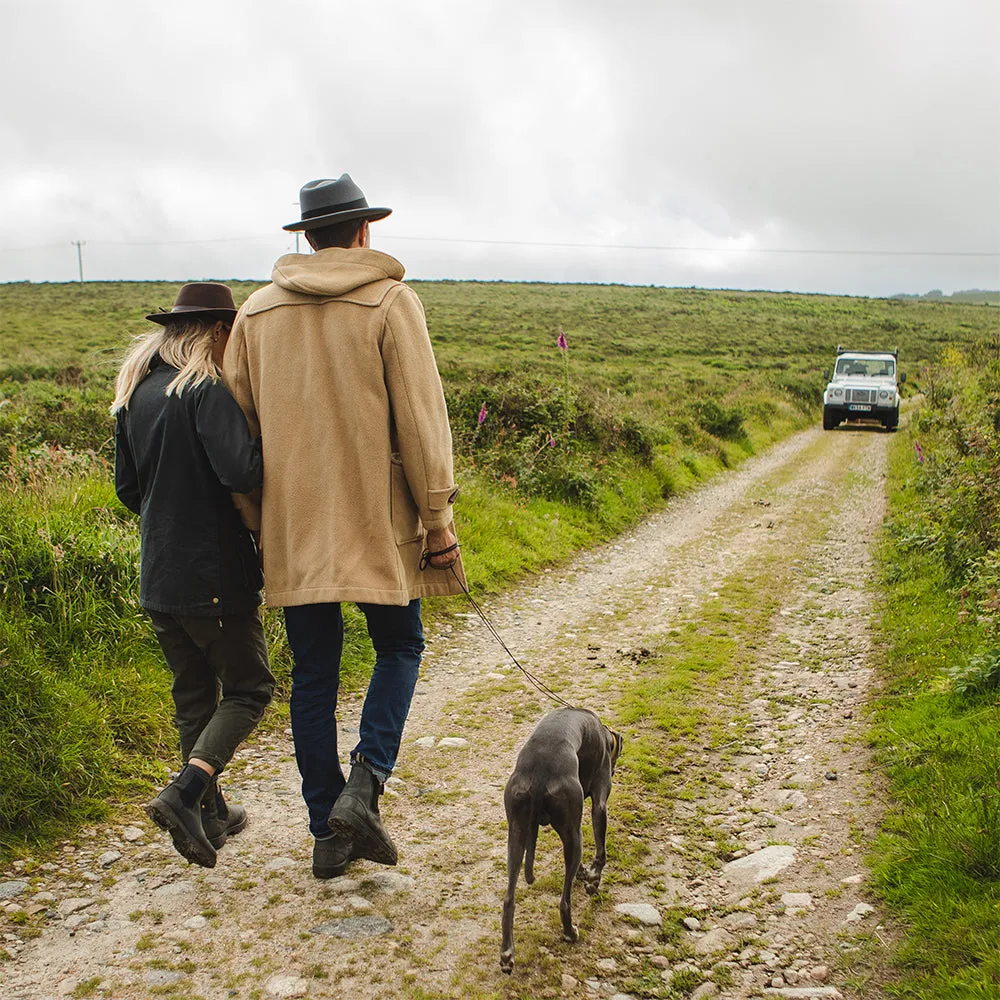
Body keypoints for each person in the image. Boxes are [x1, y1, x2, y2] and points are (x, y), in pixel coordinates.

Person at [223, 174, 464, 879]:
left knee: (313, 679)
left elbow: (240, 441)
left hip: (292, 529)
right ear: (363, 232)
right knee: (400, 645)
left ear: (308, 236)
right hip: (378, 521)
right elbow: (422, 422)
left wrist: (257, 519)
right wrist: (437, 518)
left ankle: (327, 833)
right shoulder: (391, 301)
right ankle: (365, 785)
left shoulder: (256, 314)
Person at [113, 282, 275, 869]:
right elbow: (242, 471)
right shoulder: (204, 392)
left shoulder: (137, 393)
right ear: (217, 332)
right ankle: (185, 794)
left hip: (158, 575)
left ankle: (211, 815)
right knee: (251, 689)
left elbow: (128, 490)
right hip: (214, 575)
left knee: (193, 699)